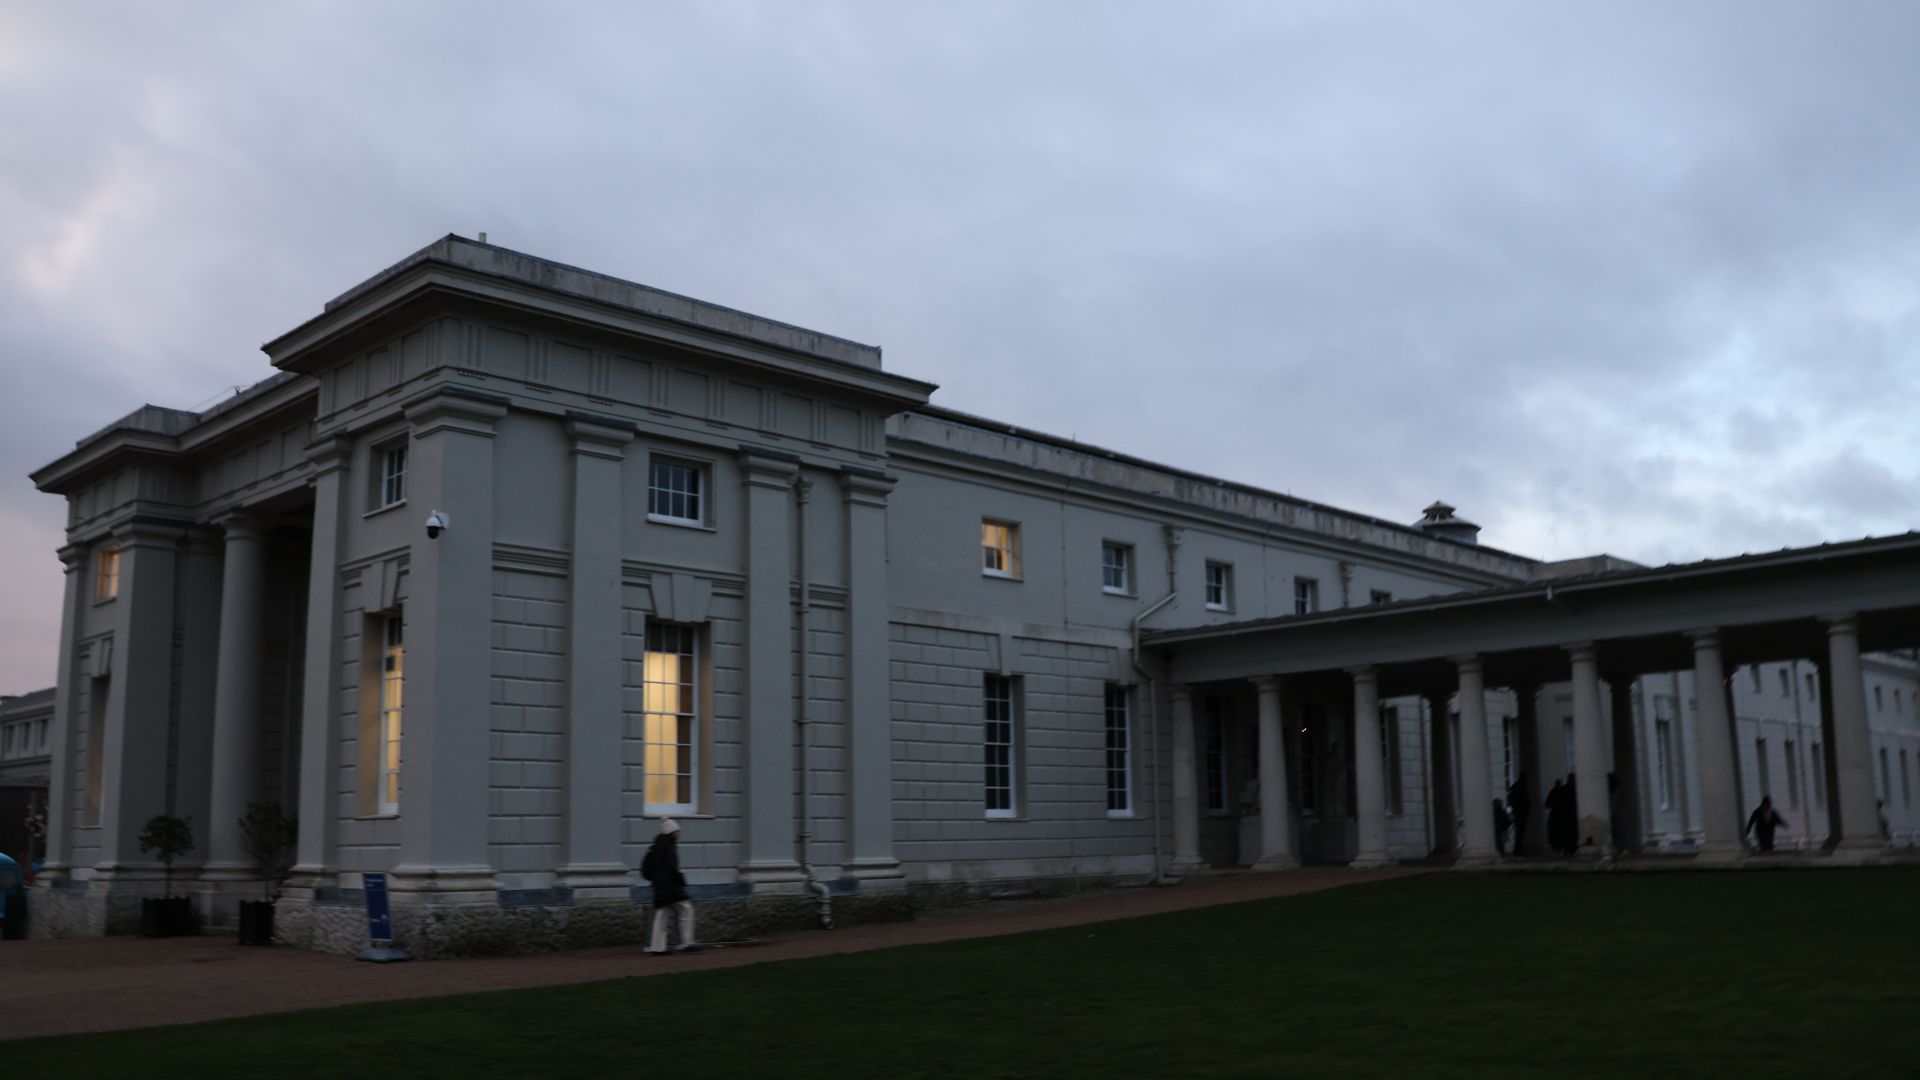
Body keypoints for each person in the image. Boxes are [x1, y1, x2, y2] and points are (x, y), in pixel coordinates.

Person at [641, 817, 698, 954]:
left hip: (659, 887)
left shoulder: (654, 847)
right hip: (671, 886)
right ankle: (687, 942)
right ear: (672, 832)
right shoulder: (670, 846)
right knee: (686, 909)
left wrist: (655, 879)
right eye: (677, 831)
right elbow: (673, 868)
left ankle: (657, 947)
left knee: (661, 915)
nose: (679, 834)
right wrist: (681, 881)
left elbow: (646, 870)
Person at [1507, 773, 1531, 857]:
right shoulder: (1521, 787)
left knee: (1520, 832)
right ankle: (1517, 849)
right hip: (1520, 812)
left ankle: (1518, 848)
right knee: (1520, 832)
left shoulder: (1517, 787)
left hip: (1519, 812)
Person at [1544, 778, 1566, 857]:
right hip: (1556, 815)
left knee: (1559, 832)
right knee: (1555, 832)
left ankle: (1560, 847)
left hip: (1560, 815)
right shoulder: (1555, 792)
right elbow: (1547, 804)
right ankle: (1558, 847)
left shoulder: (1560, 792)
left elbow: (1546, 804)